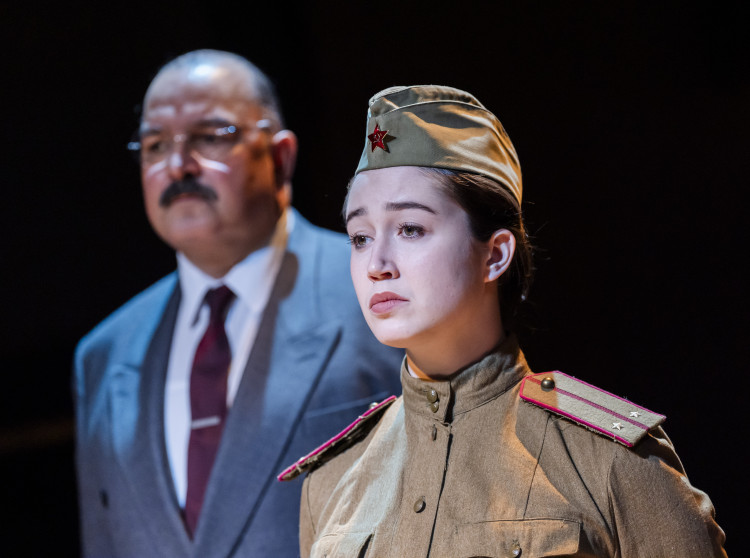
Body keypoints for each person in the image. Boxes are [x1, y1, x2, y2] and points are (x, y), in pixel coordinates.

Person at [279, 85, 727, 557]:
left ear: (495, 255)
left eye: (410, 228)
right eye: (360, 237)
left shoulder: (610, 462)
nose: (377, 264)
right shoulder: (332, 482)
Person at [73, 50, 403, 558]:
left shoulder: (378, 288)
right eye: (156, 145)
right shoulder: (104, 355)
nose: (178, 165)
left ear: (281, 158)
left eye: (210, 136)